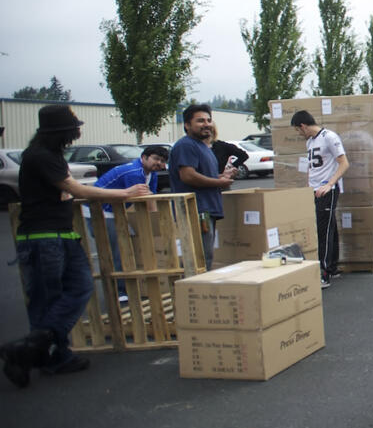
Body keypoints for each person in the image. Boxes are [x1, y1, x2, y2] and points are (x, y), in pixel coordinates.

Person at [0, 105, 150, 388]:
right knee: (47, 300)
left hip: (62, 235)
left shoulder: (50, 154)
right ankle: (53, 355)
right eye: (71, 131)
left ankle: (32, 348)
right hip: (42, 239)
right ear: (58, 132)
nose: (74, 136)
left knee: (80, 287)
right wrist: (124, 193)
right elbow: (78, 189)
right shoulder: (40, 156)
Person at [90, 145, 169, 300]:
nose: (158, 163)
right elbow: (143, 200)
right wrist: (156, 228)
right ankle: (119, 291)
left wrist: (154, 224)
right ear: (144, 157)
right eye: (155, 159)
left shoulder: (151, 174)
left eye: (162, 161)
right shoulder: (134, 172)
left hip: (116, 211)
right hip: (100, 211)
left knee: (129, 243)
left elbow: (150, 198)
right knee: (118, 249)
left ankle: (130, 286)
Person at [168, 104, 237, 271]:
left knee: (205, 257)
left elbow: (204, 176)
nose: (206, 124)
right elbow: (188, 175)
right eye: (200, 121)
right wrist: (219, 183)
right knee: (198, 258)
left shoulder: (202, 146)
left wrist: (222, 176)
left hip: (207, 210)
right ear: (187, 125)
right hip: (197, 211)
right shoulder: (186, 145)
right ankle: (192, 293)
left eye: (208, 120)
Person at [290, 110, 350, 288]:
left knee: (323, 231)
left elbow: (344, 163)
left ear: (303, 126)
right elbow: (313, 166)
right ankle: (332, 267)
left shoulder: (329, 137)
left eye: (298, 130)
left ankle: (323, 273)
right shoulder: (310, 141)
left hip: (326, 189)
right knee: (328, 226)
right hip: (314, 189)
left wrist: (329, 184)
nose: (299, 134)